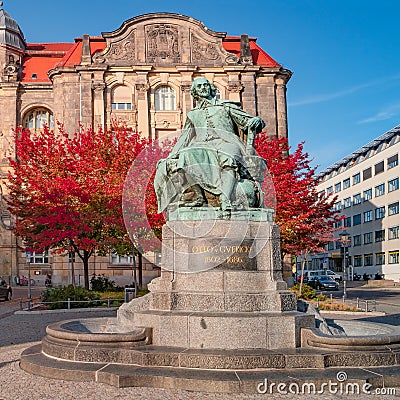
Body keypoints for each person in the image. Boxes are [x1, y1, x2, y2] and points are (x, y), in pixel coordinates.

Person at [155, 77, 265, 212]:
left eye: (205, 85)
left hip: (227, 142)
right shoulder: (193, 114)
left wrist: (256, 121)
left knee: (227, 158)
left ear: (211, 88)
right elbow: (184, 138)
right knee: (185, 156)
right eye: (199, 87)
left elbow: (247, 121)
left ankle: (226, 198)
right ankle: (199, 197)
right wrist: (171, 156)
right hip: (203, 145)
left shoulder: (225, 106)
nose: (203, 88)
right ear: (195, 92)